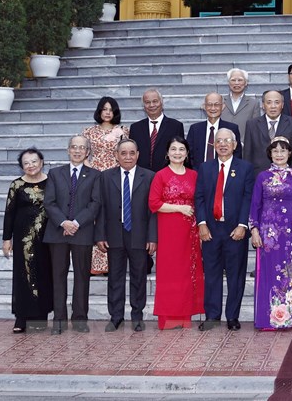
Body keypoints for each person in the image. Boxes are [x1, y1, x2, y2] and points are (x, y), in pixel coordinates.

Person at [195, 128, 255, 331]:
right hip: (211, 230)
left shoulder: (246, 168)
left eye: (227, 141)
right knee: (211, 275)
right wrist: (201, 223)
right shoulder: (205, 168)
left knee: (235, 275)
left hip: (235, 231)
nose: (222, 144)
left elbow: (248, 198)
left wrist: (242, 225)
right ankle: (212, 316)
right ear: (214, 145)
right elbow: (200, 197)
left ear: (235, 145)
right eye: (219, 141)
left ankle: (232, 317)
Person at [95, 139, 157, 332]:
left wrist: (152, 237)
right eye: (123, 153)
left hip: (139, 234)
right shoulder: (105, 177)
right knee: (115, 277)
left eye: (132, 153)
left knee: (139, 276)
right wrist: (100, 235)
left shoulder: (149, 176)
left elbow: (153, 210)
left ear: (138, 154)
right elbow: (100, 207)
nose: (128, 157)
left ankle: (137, 316)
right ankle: (116, 316)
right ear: (116, 155)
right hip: (114, 233)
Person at [43, 135, 101, 334]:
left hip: (82, 232)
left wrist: (76, 223)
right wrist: (64, 222)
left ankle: (79, 319)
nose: (77, 151)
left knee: (82, 277)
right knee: (58, 277)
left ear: (87, 152)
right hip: (57, 232)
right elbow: (49, 202)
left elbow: (95, 203)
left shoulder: (95, 175)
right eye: (74, 147)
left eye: (82, 148)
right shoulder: (54, 173)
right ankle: (58, 320)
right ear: (68, 150)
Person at [149, 136, 203, 329]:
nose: (177, 153)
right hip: (168, 229)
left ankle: (184, 316)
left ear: (187, 153)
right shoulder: (161, 175)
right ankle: (168, 317)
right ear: (167, 153)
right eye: (174, 149)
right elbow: (154, 203)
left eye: (181, 149)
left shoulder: (194, 175)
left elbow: (199, 201)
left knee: (186, 272)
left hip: (190, 231)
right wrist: (179, 208)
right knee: (169, 272)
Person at [249, 137, 292, 330]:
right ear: (270, 154)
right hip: (268, 234)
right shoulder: (262, 177)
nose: (279, 154)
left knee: (288, 273)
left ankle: (288, 317)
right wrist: (254, 230)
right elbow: (255, 205)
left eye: (283, 150)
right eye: (275, 151)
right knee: (268, 273)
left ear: (289, 153)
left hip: (290, 233)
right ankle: (268, 319)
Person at [3, 148, 53, 333]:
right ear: (22, 166)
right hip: (23, 238)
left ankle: (40, 317)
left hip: (46, 238)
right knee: (24, 275)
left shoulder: (51, 182)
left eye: (34, 161)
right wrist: (6, 239)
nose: (31, 165)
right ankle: (21, 318)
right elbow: (9, 213)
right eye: (26, 163)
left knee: (44, 274)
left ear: (41, 162)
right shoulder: (16, 185)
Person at [82, 96, 129, 276]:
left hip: (115, 177)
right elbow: (85, 156)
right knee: (94, 217)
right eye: (104, 109)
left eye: (111, 109)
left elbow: (125, 155)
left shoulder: (123, 130)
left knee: (112, 216)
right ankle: (95, 263)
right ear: (99, 111)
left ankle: (111, 264)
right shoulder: (88, 132)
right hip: (94, 176)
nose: (107, 112)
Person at [244, 90, 292, 175]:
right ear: (263, 105)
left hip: (285, 176)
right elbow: (247, 154)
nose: (273, 106)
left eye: (277, 102)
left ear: (282, 105)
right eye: (269, 102)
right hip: (258, 175)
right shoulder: (252, 124)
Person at [130, 89, 185, 172]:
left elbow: (180, 153)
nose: (151, 105)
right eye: (147, 102)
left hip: (167, 175)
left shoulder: (175, 126)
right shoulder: (135, 128)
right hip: (142, 177)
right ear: (144, 106)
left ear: (161, 103)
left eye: (155, 101)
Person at [186, 92, 242, 169]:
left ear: (223, 106)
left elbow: (237, 154)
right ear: (204, 106)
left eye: (216, 104)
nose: (213, 108)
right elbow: (189, 154)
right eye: (209, 104)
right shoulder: (195, 129)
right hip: (199, 174)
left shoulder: (232, 128)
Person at [221, 68, 261, 145]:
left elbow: (255, 128)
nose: (236, 83)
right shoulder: (220, 101)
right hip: (222, 146)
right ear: (228, 82)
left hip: (244, 147)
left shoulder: (254, 104)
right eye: (233, 80)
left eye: (240, 80)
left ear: (246, 83)